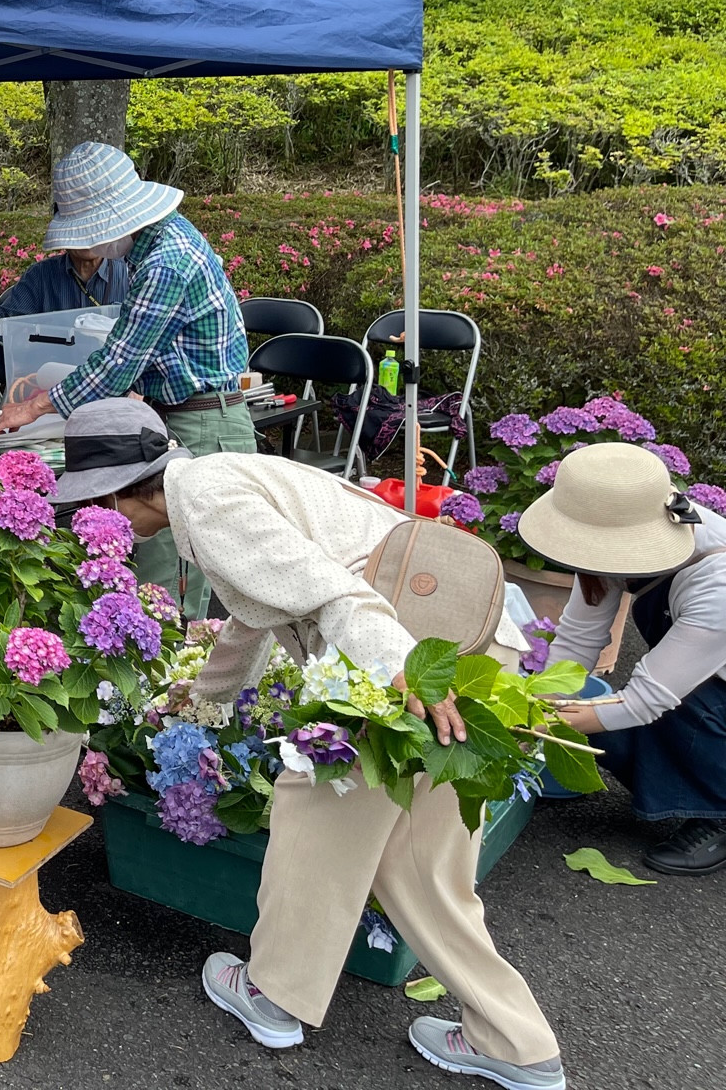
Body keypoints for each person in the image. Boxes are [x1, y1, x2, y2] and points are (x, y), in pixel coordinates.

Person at [58, 398, 561, 1090]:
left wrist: (401, 673)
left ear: (120, 489)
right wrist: (203, 702)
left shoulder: (204, 501)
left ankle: (273, 997)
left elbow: (333, 595)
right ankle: (518, 1043)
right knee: (426, 866)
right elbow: (253, 615)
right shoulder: (224, 476)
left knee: (313, 809)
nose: (108, 525)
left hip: (404, 662)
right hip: (473, 652)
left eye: (98, 504)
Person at [0, 142, 251, 613]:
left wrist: (31, 407)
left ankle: (178, 682)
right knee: (162, 566)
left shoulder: (166, 260)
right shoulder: (157, 243)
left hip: (203, 422)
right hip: (179, 415)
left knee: (172, 581)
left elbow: (118, 363)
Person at [522, 443, 726, 876]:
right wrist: (534, 700)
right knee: (599, 726)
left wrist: (530, 727)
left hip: (713, 698)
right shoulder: (622, 535)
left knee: (648, 713)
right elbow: (577, 642)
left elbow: (645, 701)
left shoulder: (718, 584)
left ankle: (718, 815)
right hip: (698, 683)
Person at [0, 220, 129, 355]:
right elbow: (6, 317)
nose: (87, 237)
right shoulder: (41, 275)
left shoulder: (129, 274)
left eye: (94, 228)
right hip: (52, 380)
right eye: (79, 227)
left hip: (113, 382)